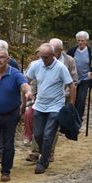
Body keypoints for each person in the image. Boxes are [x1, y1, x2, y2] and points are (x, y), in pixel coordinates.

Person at [0, 48, 32, 183]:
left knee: (8, 144)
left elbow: (24, 85)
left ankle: (5, 171)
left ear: (8, 59)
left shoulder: (15, 74)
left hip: (11, 114)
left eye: (2, 57)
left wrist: (28, 93)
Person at [26, 44, 75, 174]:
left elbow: (71, 85)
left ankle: (42, 162)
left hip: (56, 106)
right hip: (40, 105)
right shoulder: (36, 65)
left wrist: (71, 104)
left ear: (53, 55)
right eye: (41, 57)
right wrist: (27, 91)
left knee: (48, 135)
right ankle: (46, 155)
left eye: (46, 57)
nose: (44, 60)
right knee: (38, 134)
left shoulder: (60, 68)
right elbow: (26, 79)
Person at [67, 31, 92, 122]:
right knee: (72, 99)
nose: (80, 43)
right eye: (78, 40)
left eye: (82, 40)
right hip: (73, 79)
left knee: (81, 100)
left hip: (85, 80)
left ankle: (78, 119)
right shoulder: (72, 51)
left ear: (86, 41)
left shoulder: (91, 52)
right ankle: (70, 117)